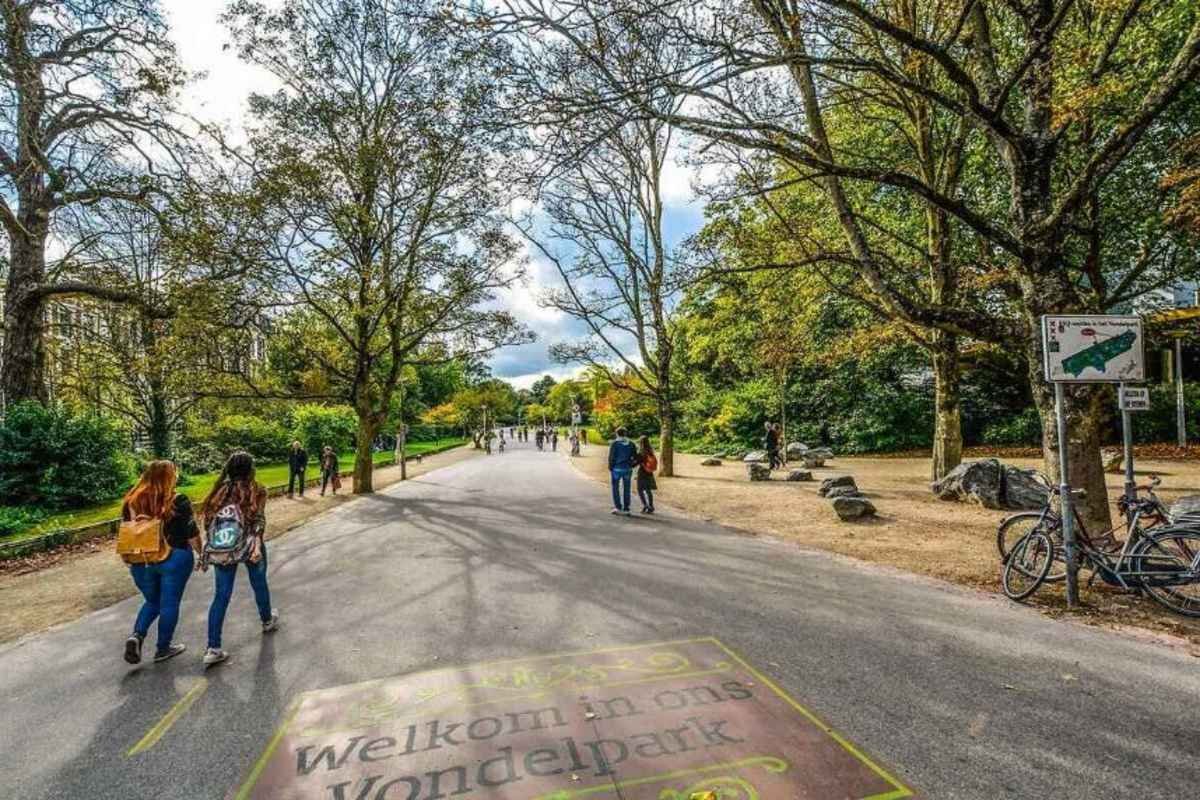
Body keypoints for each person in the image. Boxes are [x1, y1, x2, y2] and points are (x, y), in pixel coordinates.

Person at [201, 451, 279, 667]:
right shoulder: (257, 490)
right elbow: (258, 521)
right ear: (250, 469)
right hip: (249, 543)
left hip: (224, 547)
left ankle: (213, 646)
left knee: (221, 595)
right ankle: (266, 619)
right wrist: (255, 544)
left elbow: (208, 521)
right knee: (259, 582)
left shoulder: (218, 492)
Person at [122, 460, 202, 665]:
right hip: (174, 556)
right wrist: (201, 553)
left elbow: (126, 532)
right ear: (170, 476)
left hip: (141, 560)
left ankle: (137, 635)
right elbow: (191, 533)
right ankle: (163, 648)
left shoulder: (131, 501)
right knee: (169, 602)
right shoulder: (177, 499)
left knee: (152, 601)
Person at [608, 427, 638, 516]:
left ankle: (618, 507)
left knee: (615, 488)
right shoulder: (631, 444)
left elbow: (611, 457)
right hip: (627, 469)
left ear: (617, 434)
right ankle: (626, 508)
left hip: (616, 468)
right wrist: (631, 465)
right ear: (625, 433)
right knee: (627, 488)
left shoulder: (615, 443)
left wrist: (610, 466)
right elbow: (634, 456)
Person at [635, 435, 658, 514]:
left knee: (639, 489)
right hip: (649, 473)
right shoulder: (650, 451)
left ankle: (645, 505)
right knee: (648, 490)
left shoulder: (641, 452)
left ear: (640, 443)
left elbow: (636, 462)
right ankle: (651, 506)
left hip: (642, 472)